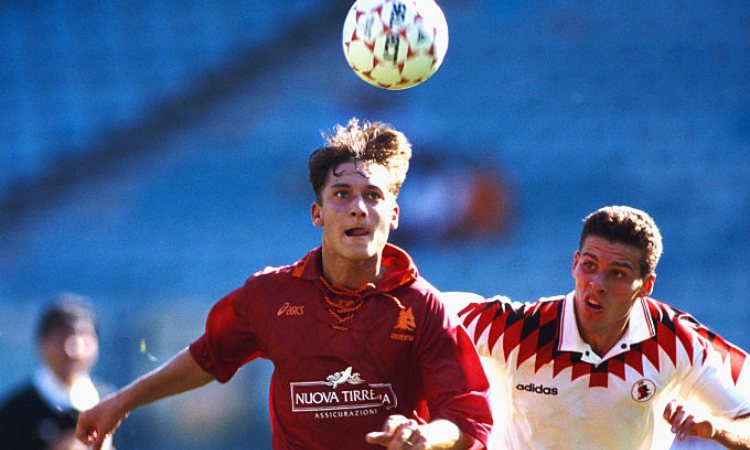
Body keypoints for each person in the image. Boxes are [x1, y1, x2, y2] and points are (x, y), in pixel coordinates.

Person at [75, 118, 493, 450]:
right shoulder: (270, 295)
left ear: (395, 215)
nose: (358, 209)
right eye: (342, 194)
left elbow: (467, 417)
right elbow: (209, 356)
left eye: (373, 195)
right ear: (317, 213)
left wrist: (427, 437)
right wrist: (122, 401)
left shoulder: (423, 306)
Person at [445, 205, 749, 450]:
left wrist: (715, 427)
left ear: (646, 286)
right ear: (575, 264)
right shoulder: (520, 328)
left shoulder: (676, 338)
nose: (597, 284)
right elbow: (427, 312)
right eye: (590, 265)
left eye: (617, 273)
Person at [0, 293, 113, 450]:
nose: (75, 350)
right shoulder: (16, 411)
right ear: (42, 344)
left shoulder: (108, 401)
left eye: (84, 338)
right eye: (63, 338)